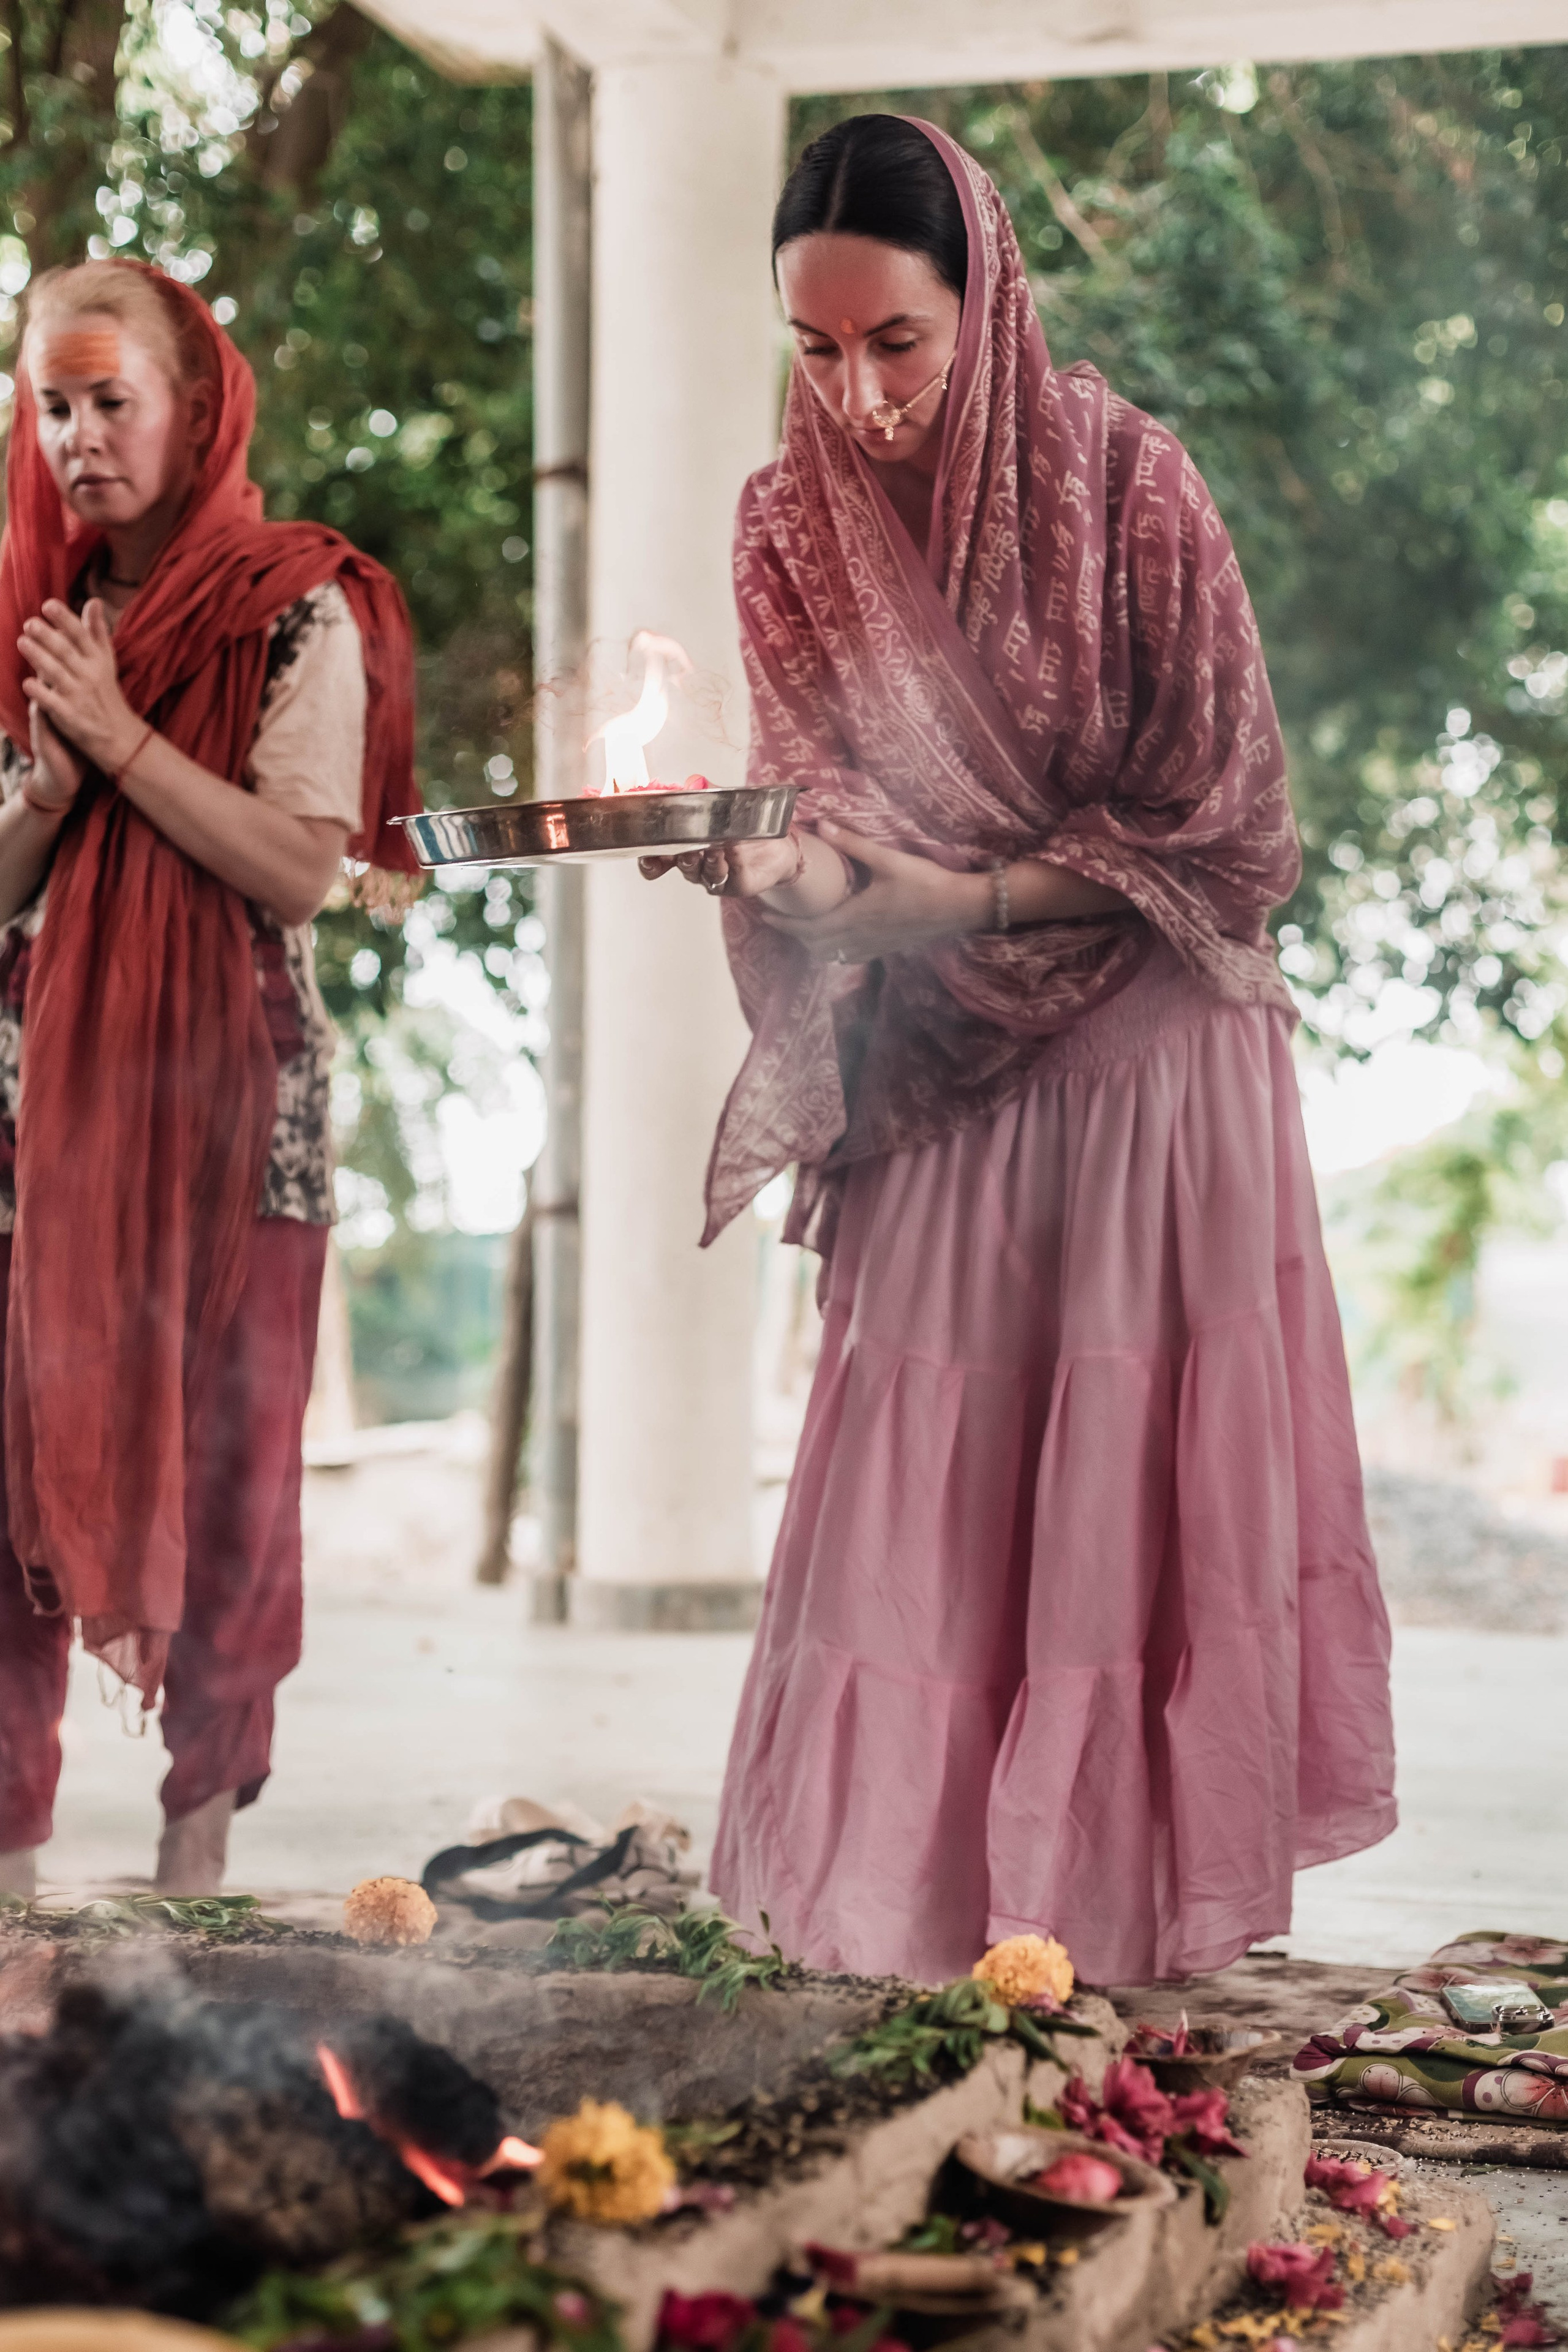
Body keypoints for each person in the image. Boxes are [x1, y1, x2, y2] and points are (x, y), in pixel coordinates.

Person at [643, 115, 1396, 1986]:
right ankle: (898, 1943)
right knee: (915, 1504)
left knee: (1124, 1519)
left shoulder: (1126, 480)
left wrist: (958, 909)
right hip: (937, 1071)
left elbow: (1232, 835)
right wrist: (766, 859)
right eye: (817, 352)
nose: (862, 395)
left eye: (899, 343)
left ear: (984, 294)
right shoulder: (783, 525)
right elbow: (834, 832)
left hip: (1152, 1071)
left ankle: (1111, 1955)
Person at [0, 259, 420, 1901]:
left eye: (115, 401)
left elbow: (300, 868)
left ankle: (193, 1883)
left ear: (197, 405)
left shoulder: (299, 605)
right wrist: (48, 787)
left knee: (236, 1497)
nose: (83, 439)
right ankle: (16, 1894)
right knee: (16, 1485)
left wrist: (116, 743)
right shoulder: (33, 608)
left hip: (239, 1118)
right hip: (40, 1125)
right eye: (54, 405)